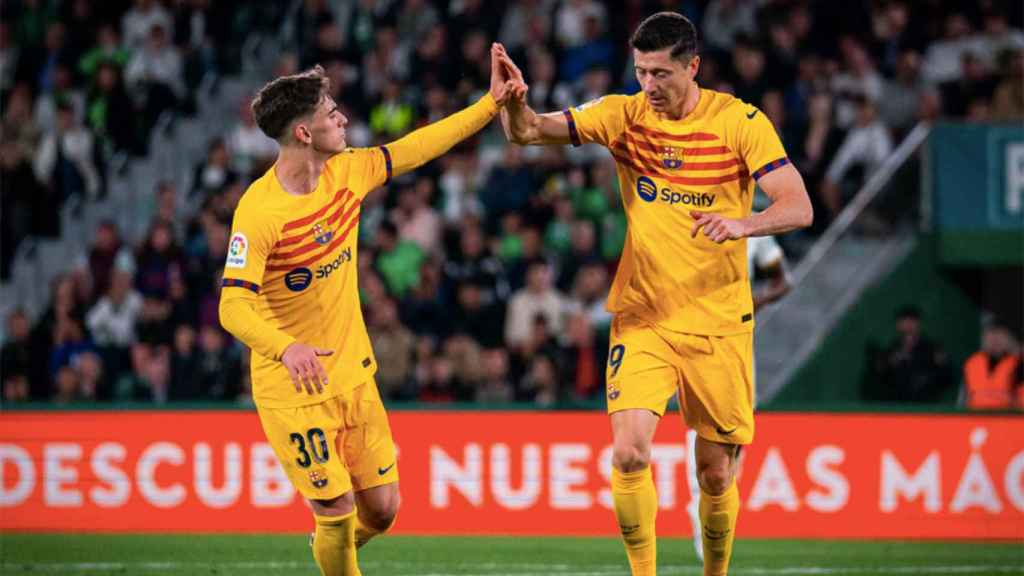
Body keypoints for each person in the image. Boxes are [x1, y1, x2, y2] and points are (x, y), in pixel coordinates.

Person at [495, 12, 813, 576]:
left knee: (715, 472)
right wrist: (514, 101)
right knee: (629, 451)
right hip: (645, 315)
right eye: (641, 72)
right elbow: (528, 131)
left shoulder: (740, 122)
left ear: (693, 66)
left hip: (719, 322)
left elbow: (798, 205)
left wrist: (745, 224)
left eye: (662, 73)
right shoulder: (622, 114)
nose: (650, 86)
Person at [218, 52, 522, 575]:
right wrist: (286, 347)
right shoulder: (259, 211)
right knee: (335, 510)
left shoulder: (349, 171)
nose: (342, 119)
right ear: (304, 134)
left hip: (353, 374)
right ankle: (333, 552)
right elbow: (232, 305)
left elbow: (413, 149)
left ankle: (327, 555)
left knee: (381, 511)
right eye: (331, 112)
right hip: (294, 388)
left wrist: (487, 107)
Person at [686, 232, 791, 562]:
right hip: (691, 338)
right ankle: (703, 531)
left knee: (734, 449)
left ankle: (716, 519)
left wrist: (752, 303)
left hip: (736, 345)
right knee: (699, 438)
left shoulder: (756, 232)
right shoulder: (683, 217)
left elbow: (782, 282)